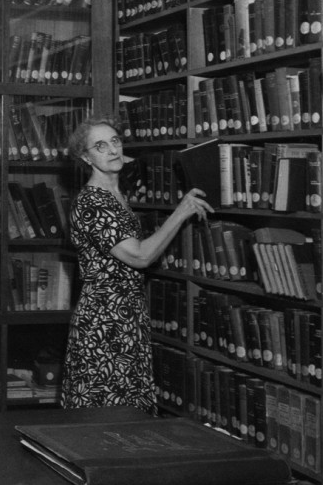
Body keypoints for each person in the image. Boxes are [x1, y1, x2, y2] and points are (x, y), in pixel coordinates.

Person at [60, 115, 212, 412]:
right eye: (100, 146)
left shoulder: (116, 195)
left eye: (115, 141)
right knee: (107, 418)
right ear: (85, 156)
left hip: (128, 316)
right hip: (104, 322)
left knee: (129, 415)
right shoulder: (92, 203)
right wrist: (181, 211)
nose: (112, 150)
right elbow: (140, 256)